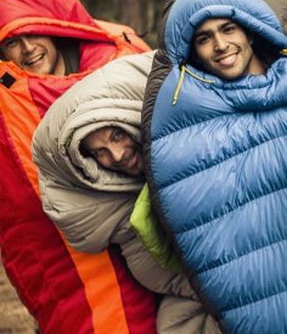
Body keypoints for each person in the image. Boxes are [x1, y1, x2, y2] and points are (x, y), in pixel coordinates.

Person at [143, 0, 287, 333]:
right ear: (191, 50)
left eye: (228, 28)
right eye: (204, 38)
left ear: (249, 30)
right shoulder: (183, 118)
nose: (220, 45)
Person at [0, 0, 157, 333]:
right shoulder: (8, 105)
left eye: (33, 33)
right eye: (13, 41)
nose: (28, 49)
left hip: (152, 243)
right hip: (77, 267)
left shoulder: (119, 60)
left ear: (55, 29)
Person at [31, 51, 221, 333]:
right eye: (100, 153)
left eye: (117, 135)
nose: (117, 155)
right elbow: (156, 273)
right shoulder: (124, 213)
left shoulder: (203, 147)